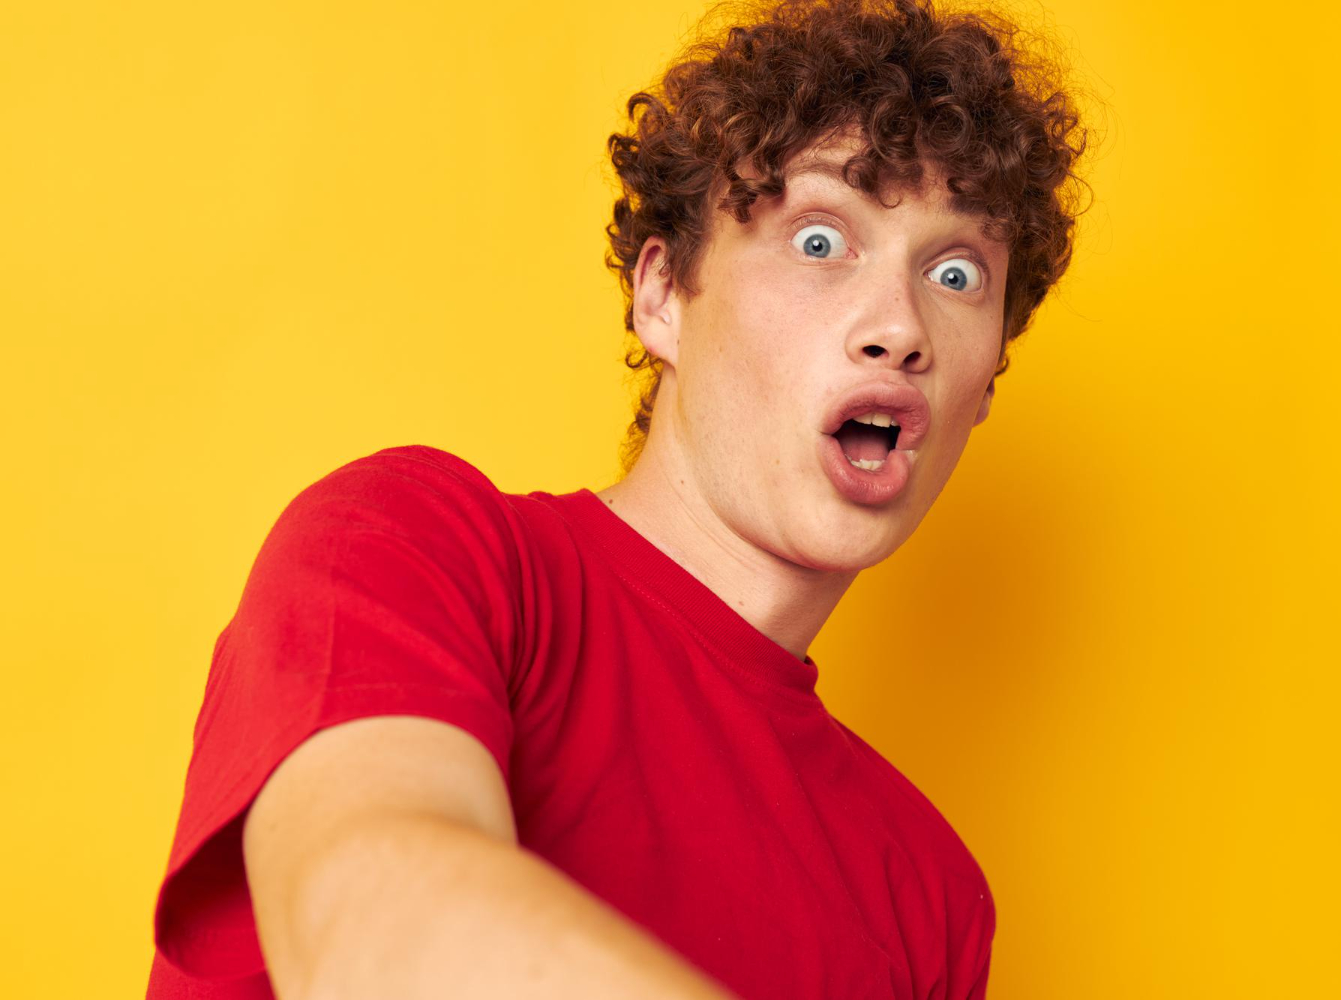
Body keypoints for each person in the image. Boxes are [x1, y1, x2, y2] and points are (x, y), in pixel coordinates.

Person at [146, 0, 1088, 996]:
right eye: (821, 241)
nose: (899, 327)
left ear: (983, 389)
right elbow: (376, 931)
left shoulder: (929, 896)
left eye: (955, 271)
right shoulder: (411, 544)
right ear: (662, 297)